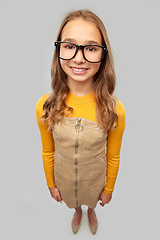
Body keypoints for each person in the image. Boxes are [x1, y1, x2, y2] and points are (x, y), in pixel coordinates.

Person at [35, 9, 126, 234]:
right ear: (58, 50)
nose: (78, 57)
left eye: (91, 48)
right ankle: (77, 211)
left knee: (91, 198)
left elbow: (113, 155)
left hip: (95, 178)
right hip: (65, 176)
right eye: (69, 46)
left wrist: (109, 188)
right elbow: (48, 151)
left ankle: (91, 210)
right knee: (74, 198)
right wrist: (51, 183)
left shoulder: (114, 110)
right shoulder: (45, 105)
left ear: (103, 54)